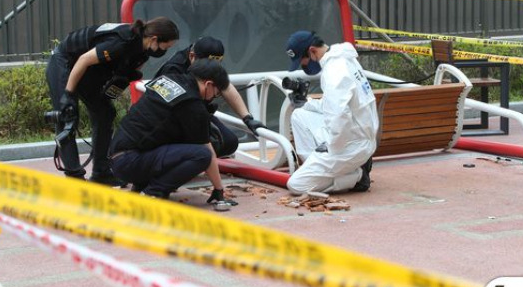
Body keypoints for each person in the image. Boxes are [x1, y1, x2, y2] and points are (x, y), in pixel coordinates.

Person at [46, 17, 179, 186]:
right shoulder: (121, 42)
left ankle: (101, 172)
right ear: (154, 39)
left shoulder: (143, 52)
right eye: (165, 46)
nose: (164, 51)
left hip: (89, 69)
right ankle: (75, 177)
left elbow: (122, 74)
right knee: (67, 116)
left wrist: (118, 83)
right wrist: (68, 94)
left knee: (105, 113)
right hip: (66, 61)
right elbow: (83, 60)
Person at [109, 58, 237, 205]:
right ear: (208, 84)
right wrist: (219, 190)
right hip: (130, 162)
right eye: (217, 92)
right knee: (202, 155)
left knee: (173, 137)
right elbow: (207, 151)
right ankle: (153, 193)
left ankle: (141, 185)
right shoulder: (192, 104)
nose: (215, 96)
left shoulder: (169, 79)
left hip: (117, 155)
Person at [285, 30, 379, 195]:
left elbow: (339, 116)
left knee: (296, 185)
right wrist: (307, 104)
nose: (304, 66)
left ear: (312, 51)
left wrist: (329, 146)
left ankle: (357, 175)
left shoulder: (334, 71)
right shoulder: (344, 60)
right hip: (356, 134)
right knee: (299, 115)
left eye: (303, 61)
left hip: (351, 145)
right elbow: (335, 105)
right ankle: (327, 169)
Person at [154, 36, 266, 158]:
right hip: (171, 117)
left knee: (229, 143)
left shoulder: (206, 57)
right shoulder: (173, 69)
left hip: (196, 111)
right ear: (192, 56)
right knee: (204, 148)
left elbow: (225, 86)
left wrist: (247, 118)